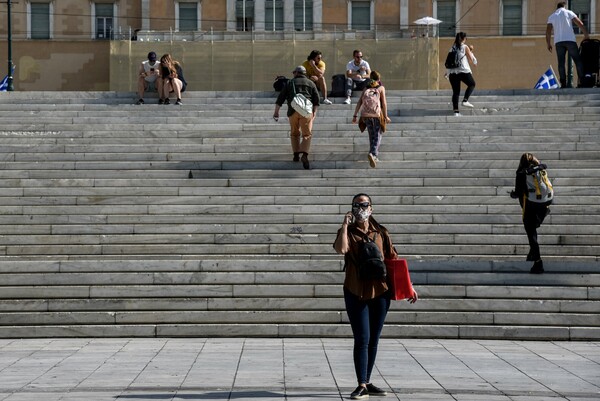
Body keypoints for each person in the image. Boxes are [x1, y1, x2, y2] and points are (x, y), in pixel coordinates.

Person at [333, 193, 417, 400]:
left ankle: (367, 381)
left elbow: (393, 259)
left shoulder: (381, 232)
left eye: (364, 205)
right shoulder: (349, 233)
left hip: (381, 291)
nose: (361, 208)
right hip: (356, 291)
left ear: (371, 208)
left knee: (373, 340)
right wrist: (344, 225)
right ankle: (361, 384)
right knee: (362, 338)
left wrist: (409, 287)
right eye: (357, 205)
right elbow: (341, 249)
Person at [510, 153, 553, 274]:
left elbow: (518, 193)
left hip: (532, 204)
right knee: (534, 224)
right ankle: (532, 253)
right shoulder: (541, 167)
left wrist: (513, 194)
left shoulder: (521, 173)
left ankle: (538, 262)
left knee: (530, 230)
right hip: (546, 200)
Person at [273, 65, 320, 170]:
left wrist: (276, 112)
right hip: (306, 112)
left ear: (296, 73)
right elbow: (317, 100)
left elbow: (280, 98)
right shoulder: (311, 83)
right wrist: (314, 112)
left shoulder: (290, 83)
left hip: (293, 111)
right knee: (307, 134)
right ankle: (304, 154)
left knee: (294, 133)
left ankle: (295, 154)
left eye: (294, 72)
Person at [351, 71, 391, 169]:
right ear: (379, 79)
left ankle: (373, 156)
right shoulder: (381, 88)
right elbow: (384, 103)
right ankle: (373, 154)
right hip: (376, 114)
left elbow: (360, 102)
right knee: (378, 135)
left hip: (365, 115)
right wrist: (385, 116)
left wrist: (355, 115)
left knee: (371, 135)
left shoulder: (366, 88)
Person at [546, 1, 589, 88]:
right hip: (570, 40)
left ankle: (563, 84)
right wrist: (586, 35)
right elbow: (580, 23)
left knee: (561, 63)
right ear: (564, 6)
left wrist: (548, 43)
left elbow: (548, 31)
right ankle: (582, 81)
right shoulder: (569, 12)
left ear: (557, 8)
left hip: (558, 42)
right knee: (577, 60)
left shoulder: (552, 16)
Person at [446, 32, 477, 117]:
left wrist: (447, 73)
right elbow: (472, 61)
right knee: (472, 84)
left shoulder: (452, 48)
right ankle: (465, 100)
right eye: (466, 39)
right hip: (463, 71)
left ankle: (456, 112)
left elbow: (449, 61)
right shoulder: (465, 47)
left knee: (456, 92)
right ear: (464, 39)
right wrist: (471, 53)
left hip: (452, 73)